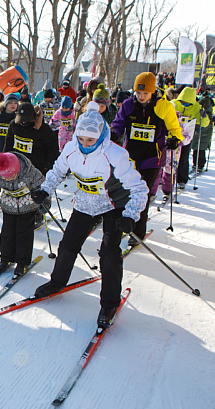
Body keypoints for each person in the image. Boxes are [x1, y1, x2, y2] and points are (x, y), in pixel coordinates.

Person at [30, 101, 148, 329]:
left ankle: (109, 303)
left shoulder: (115, 154)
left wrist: (131, 215)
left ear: (102, 136)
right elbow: (56, 171)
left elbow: (139, 189)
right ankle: (57, 282)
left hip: (114, 204)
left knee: (109, 252)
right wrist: (45, 189)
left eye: (91, 140)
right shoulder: (71, 148)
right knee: (67, 245)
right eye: (82, 139)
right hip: (86, 202)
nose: (85, 144)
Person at [110, 72, 182, 245]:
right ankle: (123, 225)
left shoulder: (164, 106)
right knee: (126, 192)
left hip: (152, 158)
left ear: (153, 92)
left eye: (145, 93)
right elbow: (118, 124)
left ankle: (137, 233)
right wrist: (114, 134)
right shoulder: (128, 105)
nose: (141, 97)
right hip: (130, 157)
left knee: (142, 194)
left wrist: (174, 139)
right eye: (138, 93)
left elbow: (175, 128)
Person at [0, 152, 46, 276]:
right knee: (7, 234)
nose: (8, 179)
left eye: (11, 176)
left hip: (28, 206)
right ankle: (6, 259)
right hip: (8, 206)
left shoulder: (30, 172)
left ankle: (22, 262)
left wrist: (43, 202)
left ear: (17, 169)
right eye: (5, 177)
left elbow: (43, 187)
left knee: (24, 234)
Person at [171, 87, 202, 189]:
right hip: (173, 134)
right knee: (170, 157)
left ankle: (182, 179)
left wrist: (204, 117)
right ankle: (167, 178)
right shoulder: (174, 103)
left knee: (184, 158)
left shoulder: (197, 107)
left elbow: (204, 123)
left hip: (186, 136)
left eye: (188, 103)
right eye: (183, 101)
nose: (185, 104)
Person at [192, 95, 214, 174]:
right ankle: (195, 164)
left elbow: (212, 122)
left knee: (201, 150)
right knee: (195, 149)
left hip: (205, 135)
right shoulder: (198, 110)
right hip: (198, 133)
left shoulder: (209, 113)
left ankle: (200, 165)